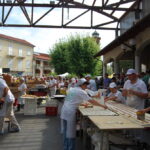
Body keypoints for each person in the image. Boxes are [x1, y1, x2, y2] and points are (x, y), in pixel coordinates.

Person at [60, 78, 107, 150]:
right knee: (70, 133)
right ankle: (70, 148)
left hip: (64, 110)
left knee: (66, 132)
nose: (86, 86)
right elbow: (91, 101)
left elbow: (72, 101)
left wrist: (81, 105)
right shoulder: (81, 91)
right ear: (81, 85)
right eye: (85, 85)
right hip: (70, 112)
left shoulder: (72, 89)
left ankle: (65, 147)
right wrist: (102, 105)